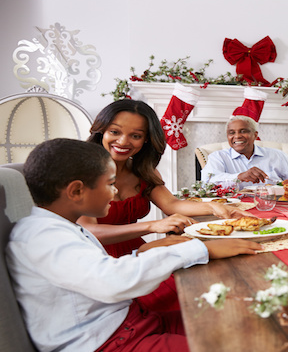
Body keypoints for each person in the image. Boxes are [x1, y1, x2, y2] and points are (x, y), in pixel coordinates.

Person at [6, 138, 262, 351]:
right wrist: (200, 249)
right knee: (234, 343)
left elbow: (91, 272)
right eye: (109, 185)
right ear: (76, 191)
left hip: (130, 323)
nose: (115, 192)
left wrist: (140, 251)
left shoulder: (58, 227)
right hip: (109, 343)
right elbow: (110, 283)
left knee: (240, 322)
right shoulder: (41, 236)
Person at [78, 99, 253, 312]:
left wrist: (214, 208)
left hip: (138, 251)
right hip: (99, 260)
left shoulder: (144, 171)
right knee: (184, 301)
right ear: (101, 131)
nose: (123, 141)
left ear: (146, 140)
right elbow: (89, 231)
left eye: (136, 135)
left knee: (203, 286)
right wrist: (152, 226)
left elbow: (172, 204)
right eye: (115, 132)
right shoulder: (82, 171)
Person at [200, 115, 288, 184]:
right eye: (231, 133)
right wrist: (239, 176)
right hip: (233, 208)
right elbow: (207, 183)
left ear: (255, 135)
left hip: (272, 205)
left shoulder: (277, 155)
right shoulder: (218, 157)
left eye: (243, 131)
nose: (237, 136)